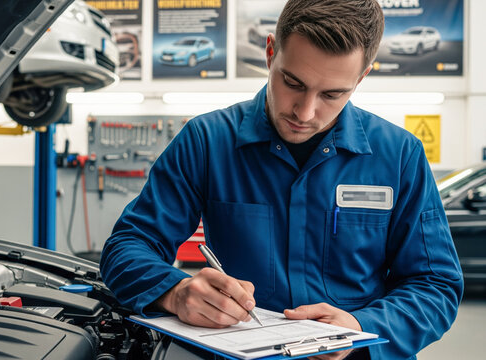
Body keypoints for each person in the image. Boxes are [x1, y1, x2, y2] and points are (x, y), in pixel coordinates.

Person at [100, 0, 463, 359]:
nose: (305, 113)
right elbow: (128, 246)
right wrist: (174, 291)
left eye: (332, 94)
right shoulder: (207, 141)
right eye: (293, 82)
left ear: (362, 77)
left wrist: (359, 327)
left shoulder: (399, 155)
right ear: (271, 53)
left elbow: (435, 285)